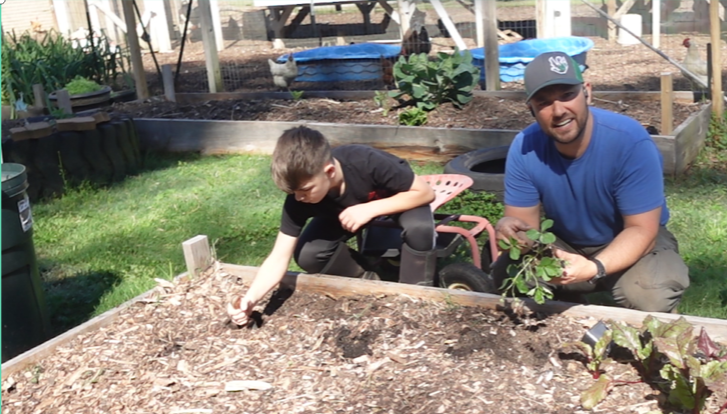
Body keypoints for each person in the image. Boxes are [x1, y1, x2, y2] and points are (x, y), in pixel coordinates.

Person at [490, 51, 690, 313]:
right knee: (509, 274)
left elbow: (642, 229)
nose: (559, 110)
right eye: (544, 103)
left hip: (633, 237)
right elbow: (526, 230)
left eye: (567, 95)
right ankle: (568, 312)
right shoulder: (525, 148)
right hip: (564, 241)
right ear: (532, 110)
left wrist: (593, 268)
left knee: (649, 293)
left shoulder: (629, 141)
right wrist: (512, 232)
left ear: (587, 92)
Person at [227, 126, 437, 325]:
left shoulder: (366, 161)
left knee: (420, 229)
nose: (299, 198)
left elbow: (425, 193)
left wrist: (370, 209)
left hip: (401, 200)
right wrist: (250, 299)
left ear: (329, 172)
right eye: (293, 193)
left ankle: (415, 298)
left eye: (305, 190)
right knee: (309, 254)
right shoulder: (299, 198)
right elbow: (279, 257)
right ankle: (371, 280)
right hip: (341, 216)